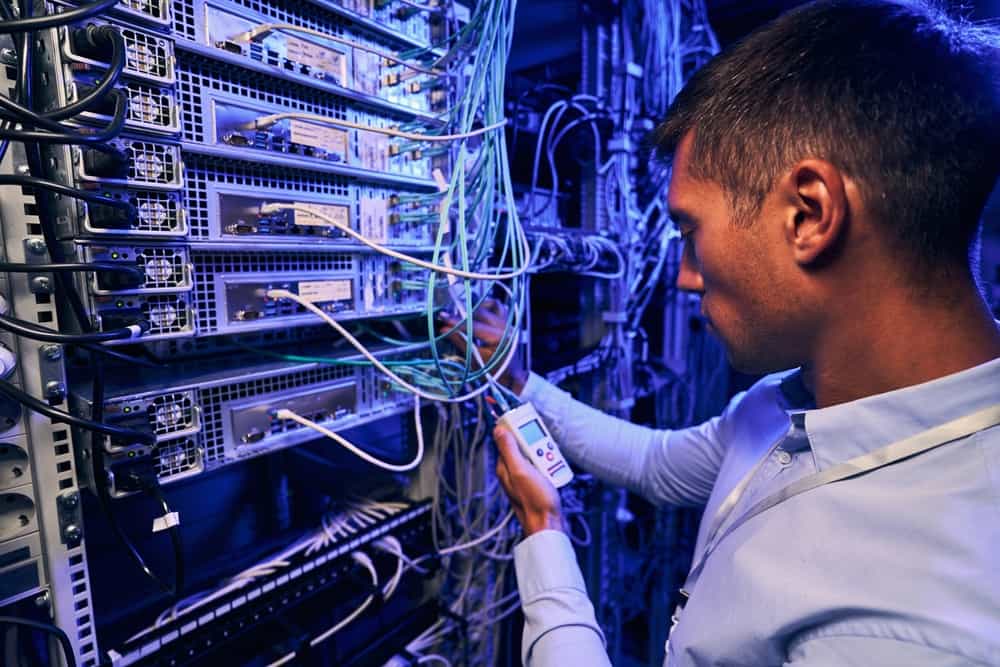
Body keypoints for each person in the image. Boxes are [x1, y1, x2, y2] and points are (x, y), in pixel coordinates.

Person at [442, 0, 1000, 664]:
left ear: (808, 214)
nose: (682, 277)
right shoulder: (793, 400)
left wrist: (543, 536)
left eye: (688, 233)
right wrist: (520, 378)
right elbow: (653, 462)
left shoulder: (911, 625)